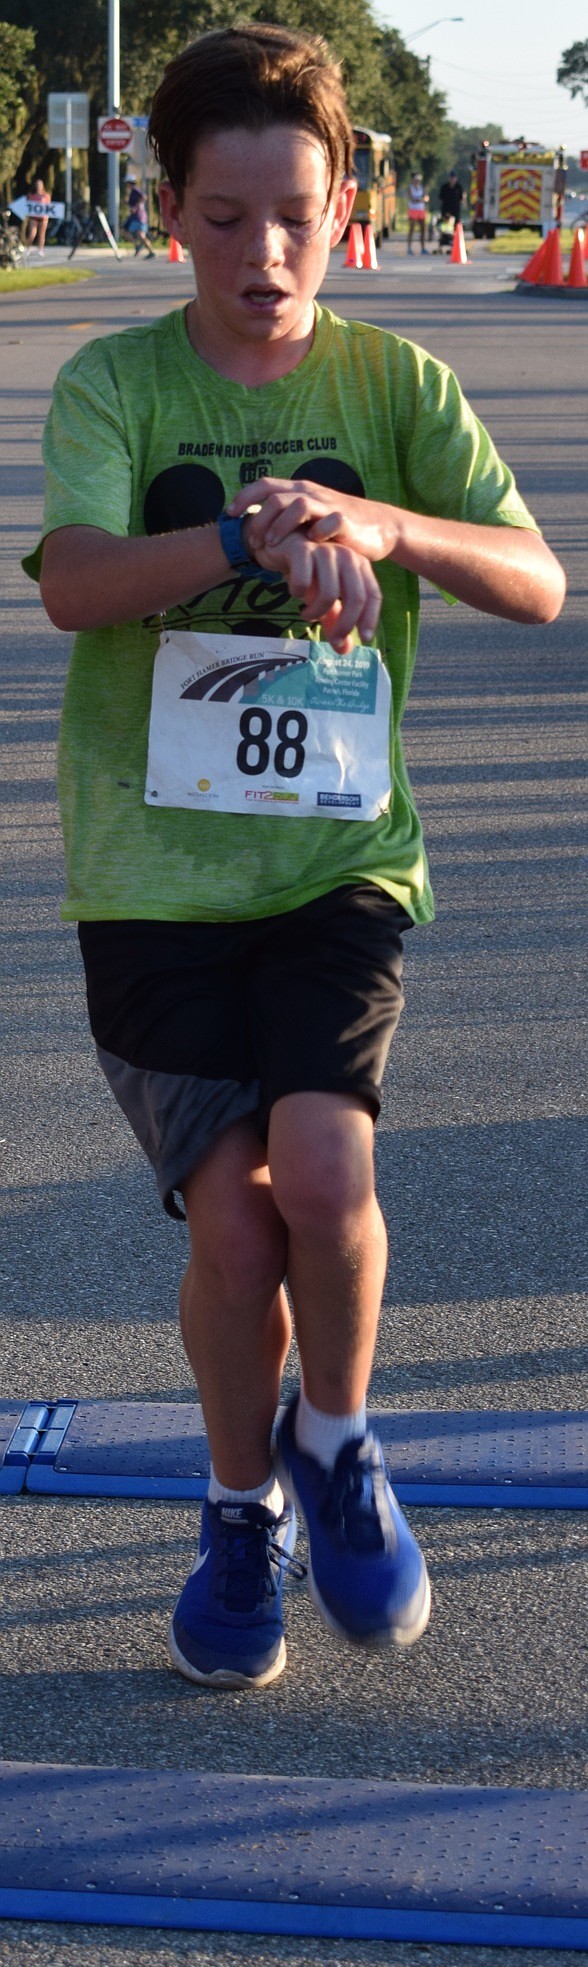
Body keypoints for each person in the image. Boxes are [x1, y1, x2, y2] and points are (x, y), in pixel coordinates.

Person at [25, 25, 565, 1693]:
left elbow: (535, 581)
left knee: (325, 1180)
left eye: (296, 217)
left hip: (338, 863)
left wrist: (385, 526)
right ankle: (236, 1506)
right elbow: (76, 582)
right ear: (166, 211)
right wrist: (239, 535)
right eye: (223, 219)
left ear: (348, 209)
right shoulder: (117, 386)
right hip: (152, 879)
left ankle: (332, 1440)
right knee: (239, 1234)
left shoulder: (395, 390)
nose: (264, 254)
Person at [122, 176, 155, 257]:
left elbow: (144, 197)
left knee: (141, 234)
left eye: (127, 183)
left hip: (139, 216)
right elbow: (133, 203)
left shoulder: (135, 190)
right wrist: (127, 203)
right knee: (124, 231)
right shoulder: (132, 192)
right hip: (133, 217)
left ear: (130, 183)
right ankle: (137, 245)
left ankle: (151, 252)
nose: (126, 185)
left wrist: (136, 207)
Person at [26, 177, 51, 256]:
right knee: (32, 234)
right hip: (34, 218)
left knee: (42, 234)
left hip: (43, 218)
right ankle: (28, 248)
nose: (38, 186)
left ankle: (40, 250)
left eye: (40, 185)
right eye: (37, 185)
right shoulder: (31, 195)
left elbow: (49, 206)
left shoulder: (46, 195)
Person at [406, 171, 428, 254]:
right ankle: (409, 248)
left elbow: (426, 197)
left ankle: (423, 248)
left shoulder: (421, 187)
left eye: (418, 180)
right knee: (411, 229)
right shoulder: (410, 188)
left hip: (421, 210)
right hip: (413, 210)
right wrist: (420, 199)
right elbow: (411, 198)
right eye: (416, 179)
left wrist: (421, 199)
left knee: (423, 229)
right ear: (412, 179)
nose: (417, 181)